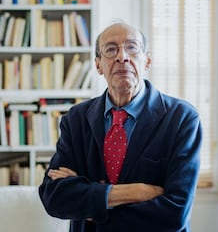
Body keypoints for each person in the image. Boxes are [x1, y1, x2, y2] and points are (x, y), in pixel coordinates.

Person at [39, 20, 202, 232]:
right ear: (98, 65)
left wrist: (91, 205)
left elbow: (174, 213)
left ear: (147, 60)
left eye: (132, 48)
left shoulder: (182, 119)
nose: (122, 56)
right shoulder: (76, 119)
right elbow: (54, 198)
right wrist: (137, 192)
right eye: (110, 49)